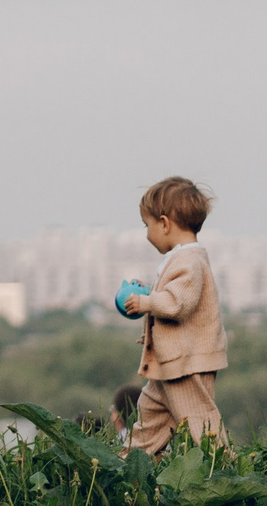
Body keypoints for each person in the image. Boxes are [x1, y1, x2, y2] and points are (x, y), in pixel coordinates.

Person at [112, 176, 228, 455]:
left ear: (164, 223)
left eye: (147, 225)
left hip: (187, 363)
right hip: (170, 362)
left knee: (200, 421)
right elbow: (173, 294)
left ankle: (225, 466)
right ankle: (131, 462)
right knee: (149, 413)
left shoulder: (190, 260)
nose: (146, 232)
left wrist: (146, 302)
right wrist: (150, 294)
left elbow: (179, 303)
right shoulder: (182, 258)